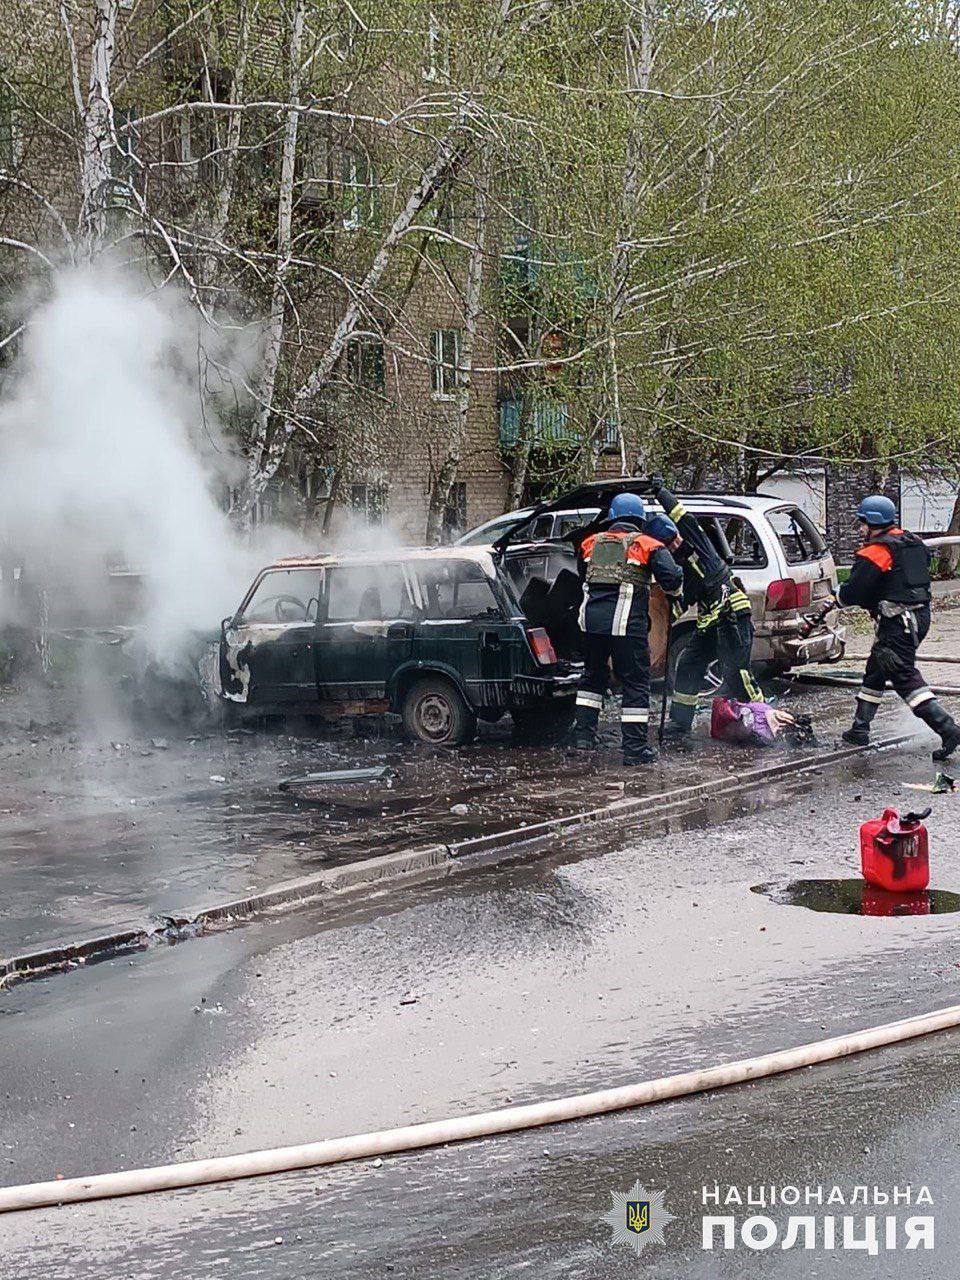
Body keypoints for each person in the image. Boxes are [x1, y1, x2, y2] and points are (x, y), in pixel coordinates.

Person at [837, 494, 960, 760]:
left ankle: (947, 728)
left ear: (872, 523)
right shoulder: (912, 542)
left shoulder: (877, 551)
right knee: (877, 669)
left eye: (862, 524)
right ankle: (860, 728)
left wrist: (837, 598)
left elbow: (856, 592)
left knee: (903, 675)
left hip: (899, 622)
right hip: (919, 617)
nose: (860, 530)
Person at [573, 492, 683, 764]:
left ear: (612, 517)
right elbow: (672, 577)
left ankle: (583, 739)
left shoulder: (589, 543)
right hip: (625, 625)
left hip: (591, 625)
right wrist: (675, 591)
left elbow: (582, 576)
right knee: (635, 682)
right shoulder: (647, 545)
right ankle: (634, 749)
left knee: (591, 679)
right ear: (640, 519)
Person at [650, 477, 764, 739]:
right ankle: (680, 723)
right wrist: (661, 624)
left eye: (674, 539)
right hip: (709, 623)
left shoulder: (699, 544)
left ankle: (761, 721)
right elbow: (683, 600)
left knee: (737, 674)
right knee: (688, 666)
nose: (675, 544)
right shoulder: (678, 569)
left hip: (732, 616)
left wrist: (660, 491)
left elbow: (681, 515)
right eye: (668, 544)